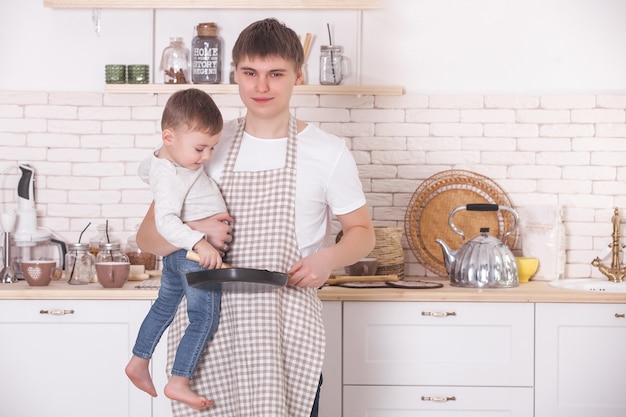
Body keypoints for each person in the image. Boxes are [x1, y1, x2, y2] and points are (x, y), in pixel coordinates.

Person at [136, 18, 375, 417]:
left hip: (288, 333)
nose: (261, 87)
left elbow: (361, 232)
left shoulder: (328, 152)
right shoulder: (207, 143)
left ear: (299, 75)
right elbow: (148, 239)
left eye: (275, 74)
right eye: (250, 73)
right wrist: (195, 229)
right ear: (235, 74)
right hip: (209, 337)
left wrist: (328, 258)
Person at [125, 88, 227, 411]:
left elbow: (145, 169)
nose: (207, 157)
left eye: (212, 148)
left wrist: (161, 159)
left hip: (175, 257)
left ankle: (138, 362)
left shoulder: (162, 162)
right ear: (169, 137)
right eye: (200, 148)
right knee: (204, 317)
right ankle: (179, 380)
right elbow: (165, 221)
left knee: (164, 308)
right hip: (190, 254)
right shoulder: (169, 175)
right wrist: (199, 241)